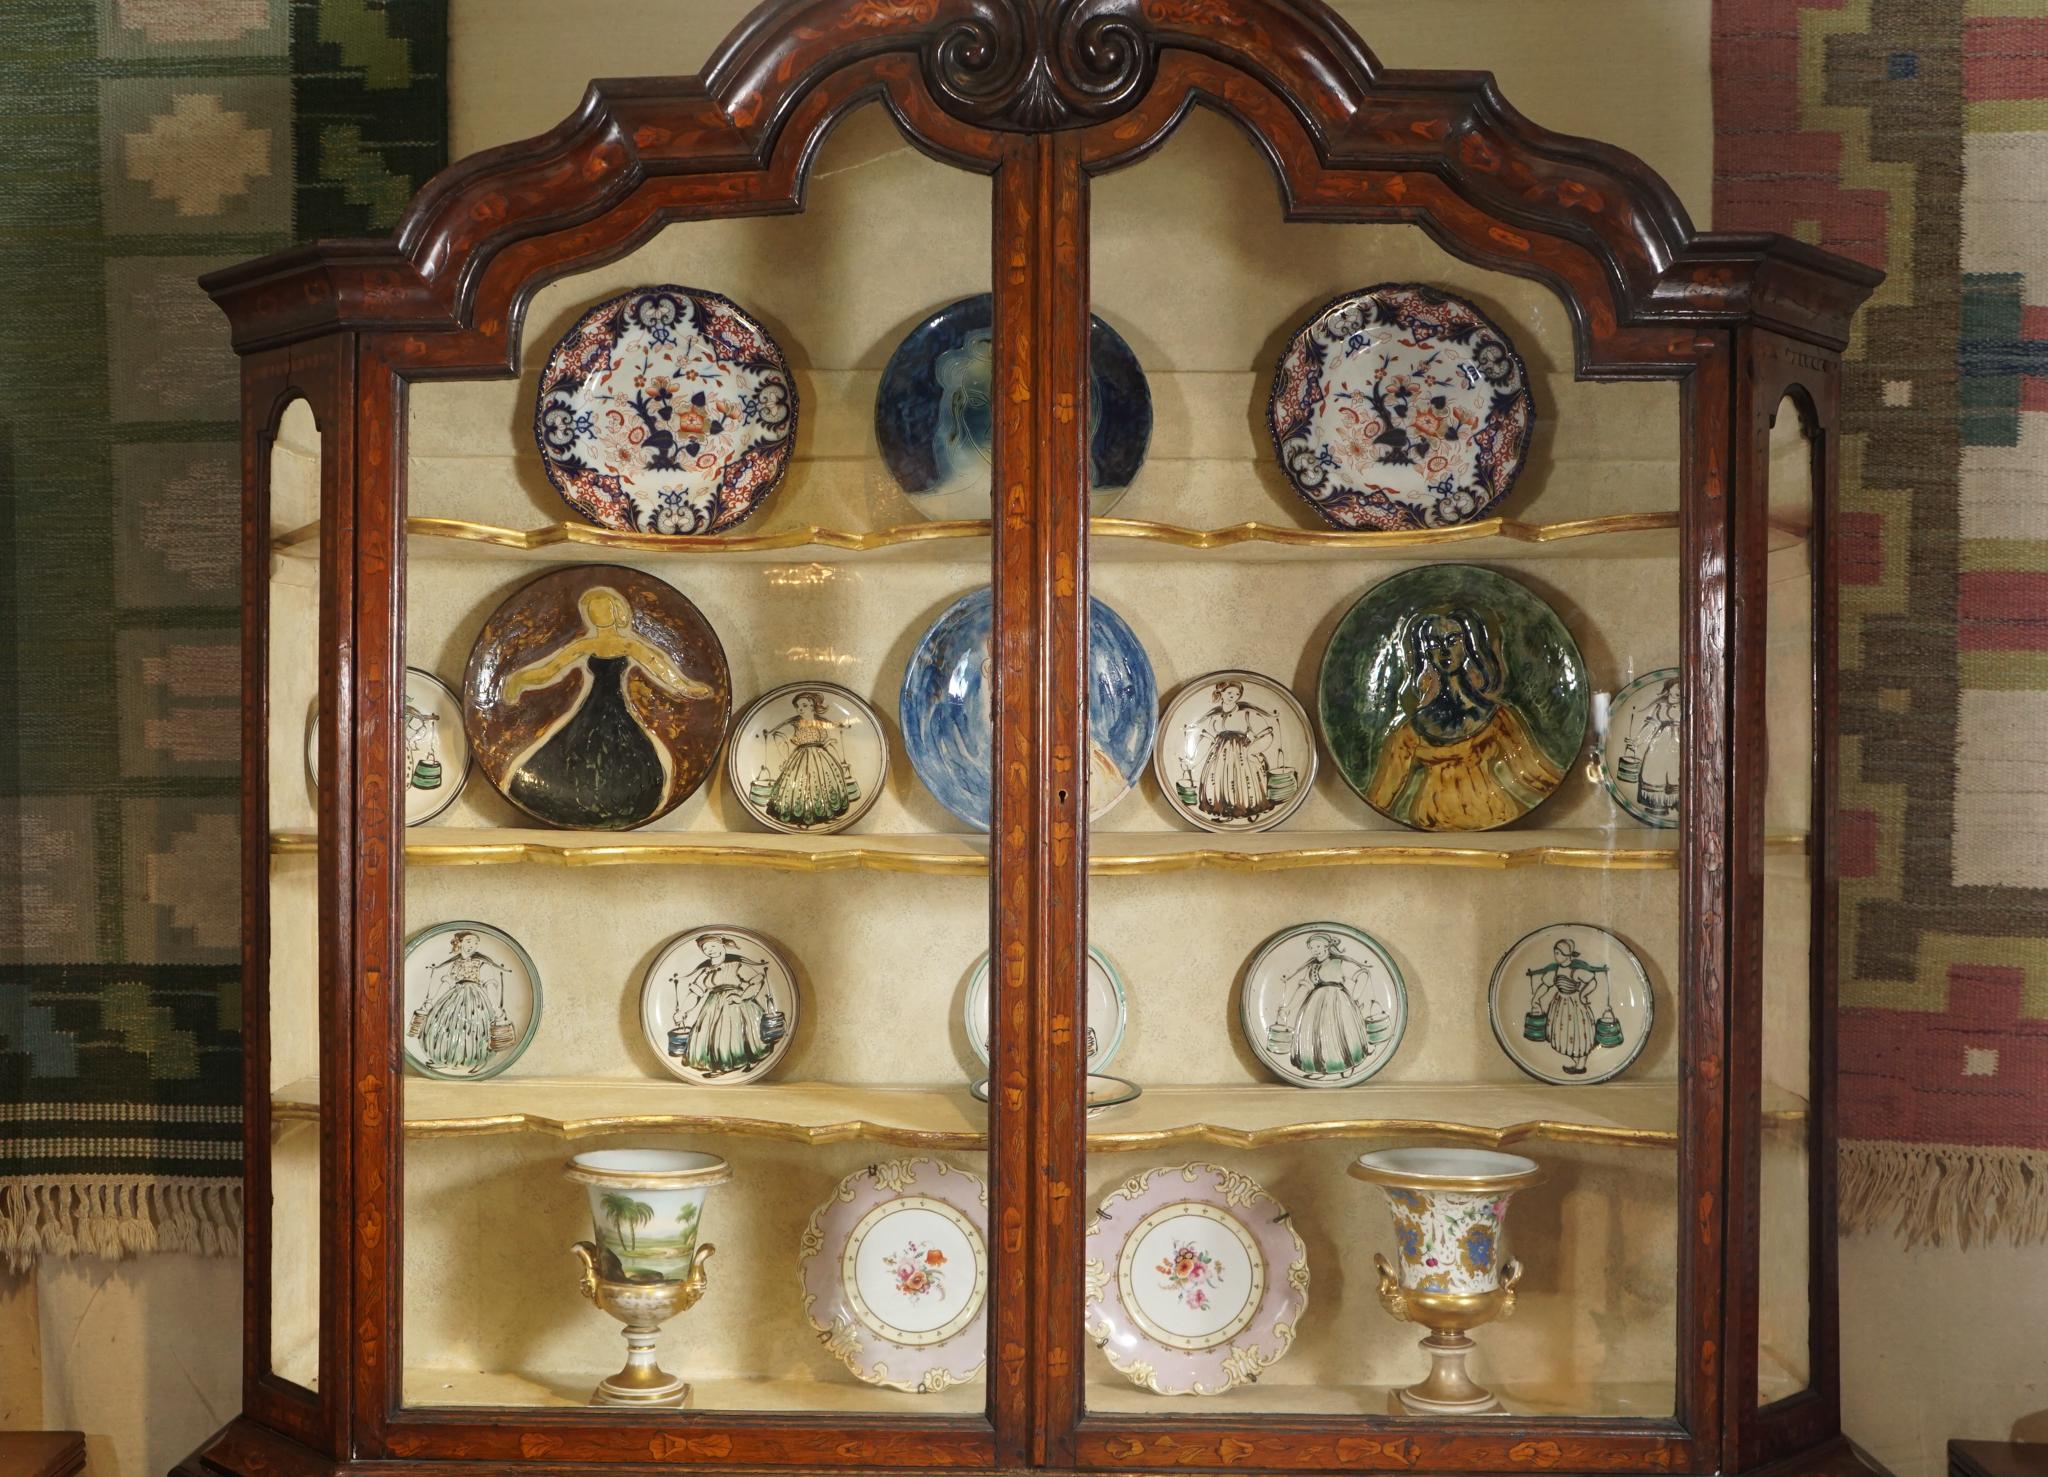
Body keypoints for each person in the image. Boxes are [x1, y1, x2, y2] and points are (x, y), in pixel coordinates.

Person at [499, 584, 718, 828]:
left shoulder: (629, 645)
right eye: (593, 610)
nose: (598, 614)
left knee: (621, 756)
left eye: (603, 608)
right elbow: (550, 669)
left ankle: (616, 807)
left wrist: (690, 688)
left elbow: (661, 669)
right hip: (592, 707)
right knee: (578, 753)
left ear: (616, 612)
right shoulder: (585, 645)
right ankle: (580, 806)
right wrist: (520, 680)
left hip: (615, 708)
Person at [1364, 608, 1563, 829]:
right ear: (1426, 654)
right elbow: (1383, 795)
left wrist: (1571, 789)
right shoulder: (1413, 730)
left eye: (1453, 640)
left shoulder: (1496, 717)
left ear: (1468, 646)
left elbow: (1532, 773)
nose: (1444, 650)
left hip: (1493, 820)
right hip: (1432, 827)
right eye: (1434, 644)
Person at [1272, 933, 1377, 1079]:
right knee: (1316, 1036)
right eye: (1312, 947)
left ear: (1327, 946)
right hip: (1315, 1004)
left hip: (1338, 1002)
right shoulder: (1313, 968)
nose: (1315, 950)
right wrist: (1288, 1007)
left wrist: (1355, 998)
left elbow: (1362, 975)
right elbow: (1304, 988)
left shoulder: (1339, 963)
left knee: (1340, 1033)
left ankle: (1346, 1065)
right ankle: (1319, 1068)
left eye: (1318, 946)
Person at [671, 935, 776, 1076]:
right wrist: (683, 1011)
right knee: (710, 1034)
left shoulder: (736, 965)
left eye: (713, 946)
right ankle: (720, 1066)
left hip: (737, 1003)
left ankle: (748, 1060)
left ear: (722, 945)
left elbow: (756, 981)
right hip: (713, 1006)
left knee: (737, 1033)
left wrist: (742, 997)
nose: (710, 950)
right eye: (705, 948)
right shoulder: (706, 971)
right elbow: (695, 993)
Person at [1185, 679, 1287, 822]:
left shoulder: (1246, 714)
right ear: (1221, 693)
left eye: (1237, 693)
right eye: (1230, 692)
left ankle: (1250, 811)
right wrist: (1192, 762)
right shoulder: (1215, 718)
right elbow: (1207, 739)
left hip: (1242, 754)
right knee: (1220, 781)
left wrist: (1252, 751)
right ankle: (1226, 814)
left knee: (1243, 781)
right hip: (1219, 756)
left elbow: (1266, 734)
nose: (1233, 696)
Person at [413, 930, 510, 1075]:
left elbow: (489, 985)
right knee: (443, 1026)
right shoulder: (456, 964)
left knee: (476, 1030)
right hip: (454, 996)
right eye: (469, 941)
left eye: (475, 943)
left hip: (476, 1000)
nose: (472, 945)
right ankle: (445, 1060)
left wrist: (496, 1007)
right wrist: (431, 1002)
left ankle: (478, 1062)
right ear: (460, 943)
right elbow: (447, 983)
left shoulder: (481, 964)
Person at [756, 691, 858, 828]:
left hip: (822, 757)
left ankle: (823, 812)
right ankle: (801, 814)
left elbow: (827, 737)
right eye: (798, 706)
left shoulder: (821, 723)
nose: (800, 709)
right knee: (799, 784)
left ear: (812, 706)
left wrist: (833, 746)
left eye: (804, 705)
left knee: (824, 784)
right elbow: (781, 732)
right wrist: (784, 755)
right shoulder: (796, 723)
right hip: (800, 757)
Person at [1527, 937, 1604, 1075]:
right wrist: (1535, 998)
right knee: (1564, 1034)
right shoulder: (1555, 971)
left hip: (1575, 1005)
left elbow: (1592, 982)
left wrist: (1582, 995)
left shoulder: (1576, 971)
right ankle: (1578, 1063)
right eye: (1555, 952)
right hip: (1560, 1005)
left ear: (1567, 955)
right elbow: (1545, 985)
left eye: (1558, 953)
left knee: (1579, 1033)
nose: (1556, 956)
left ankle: (1580, 1065)